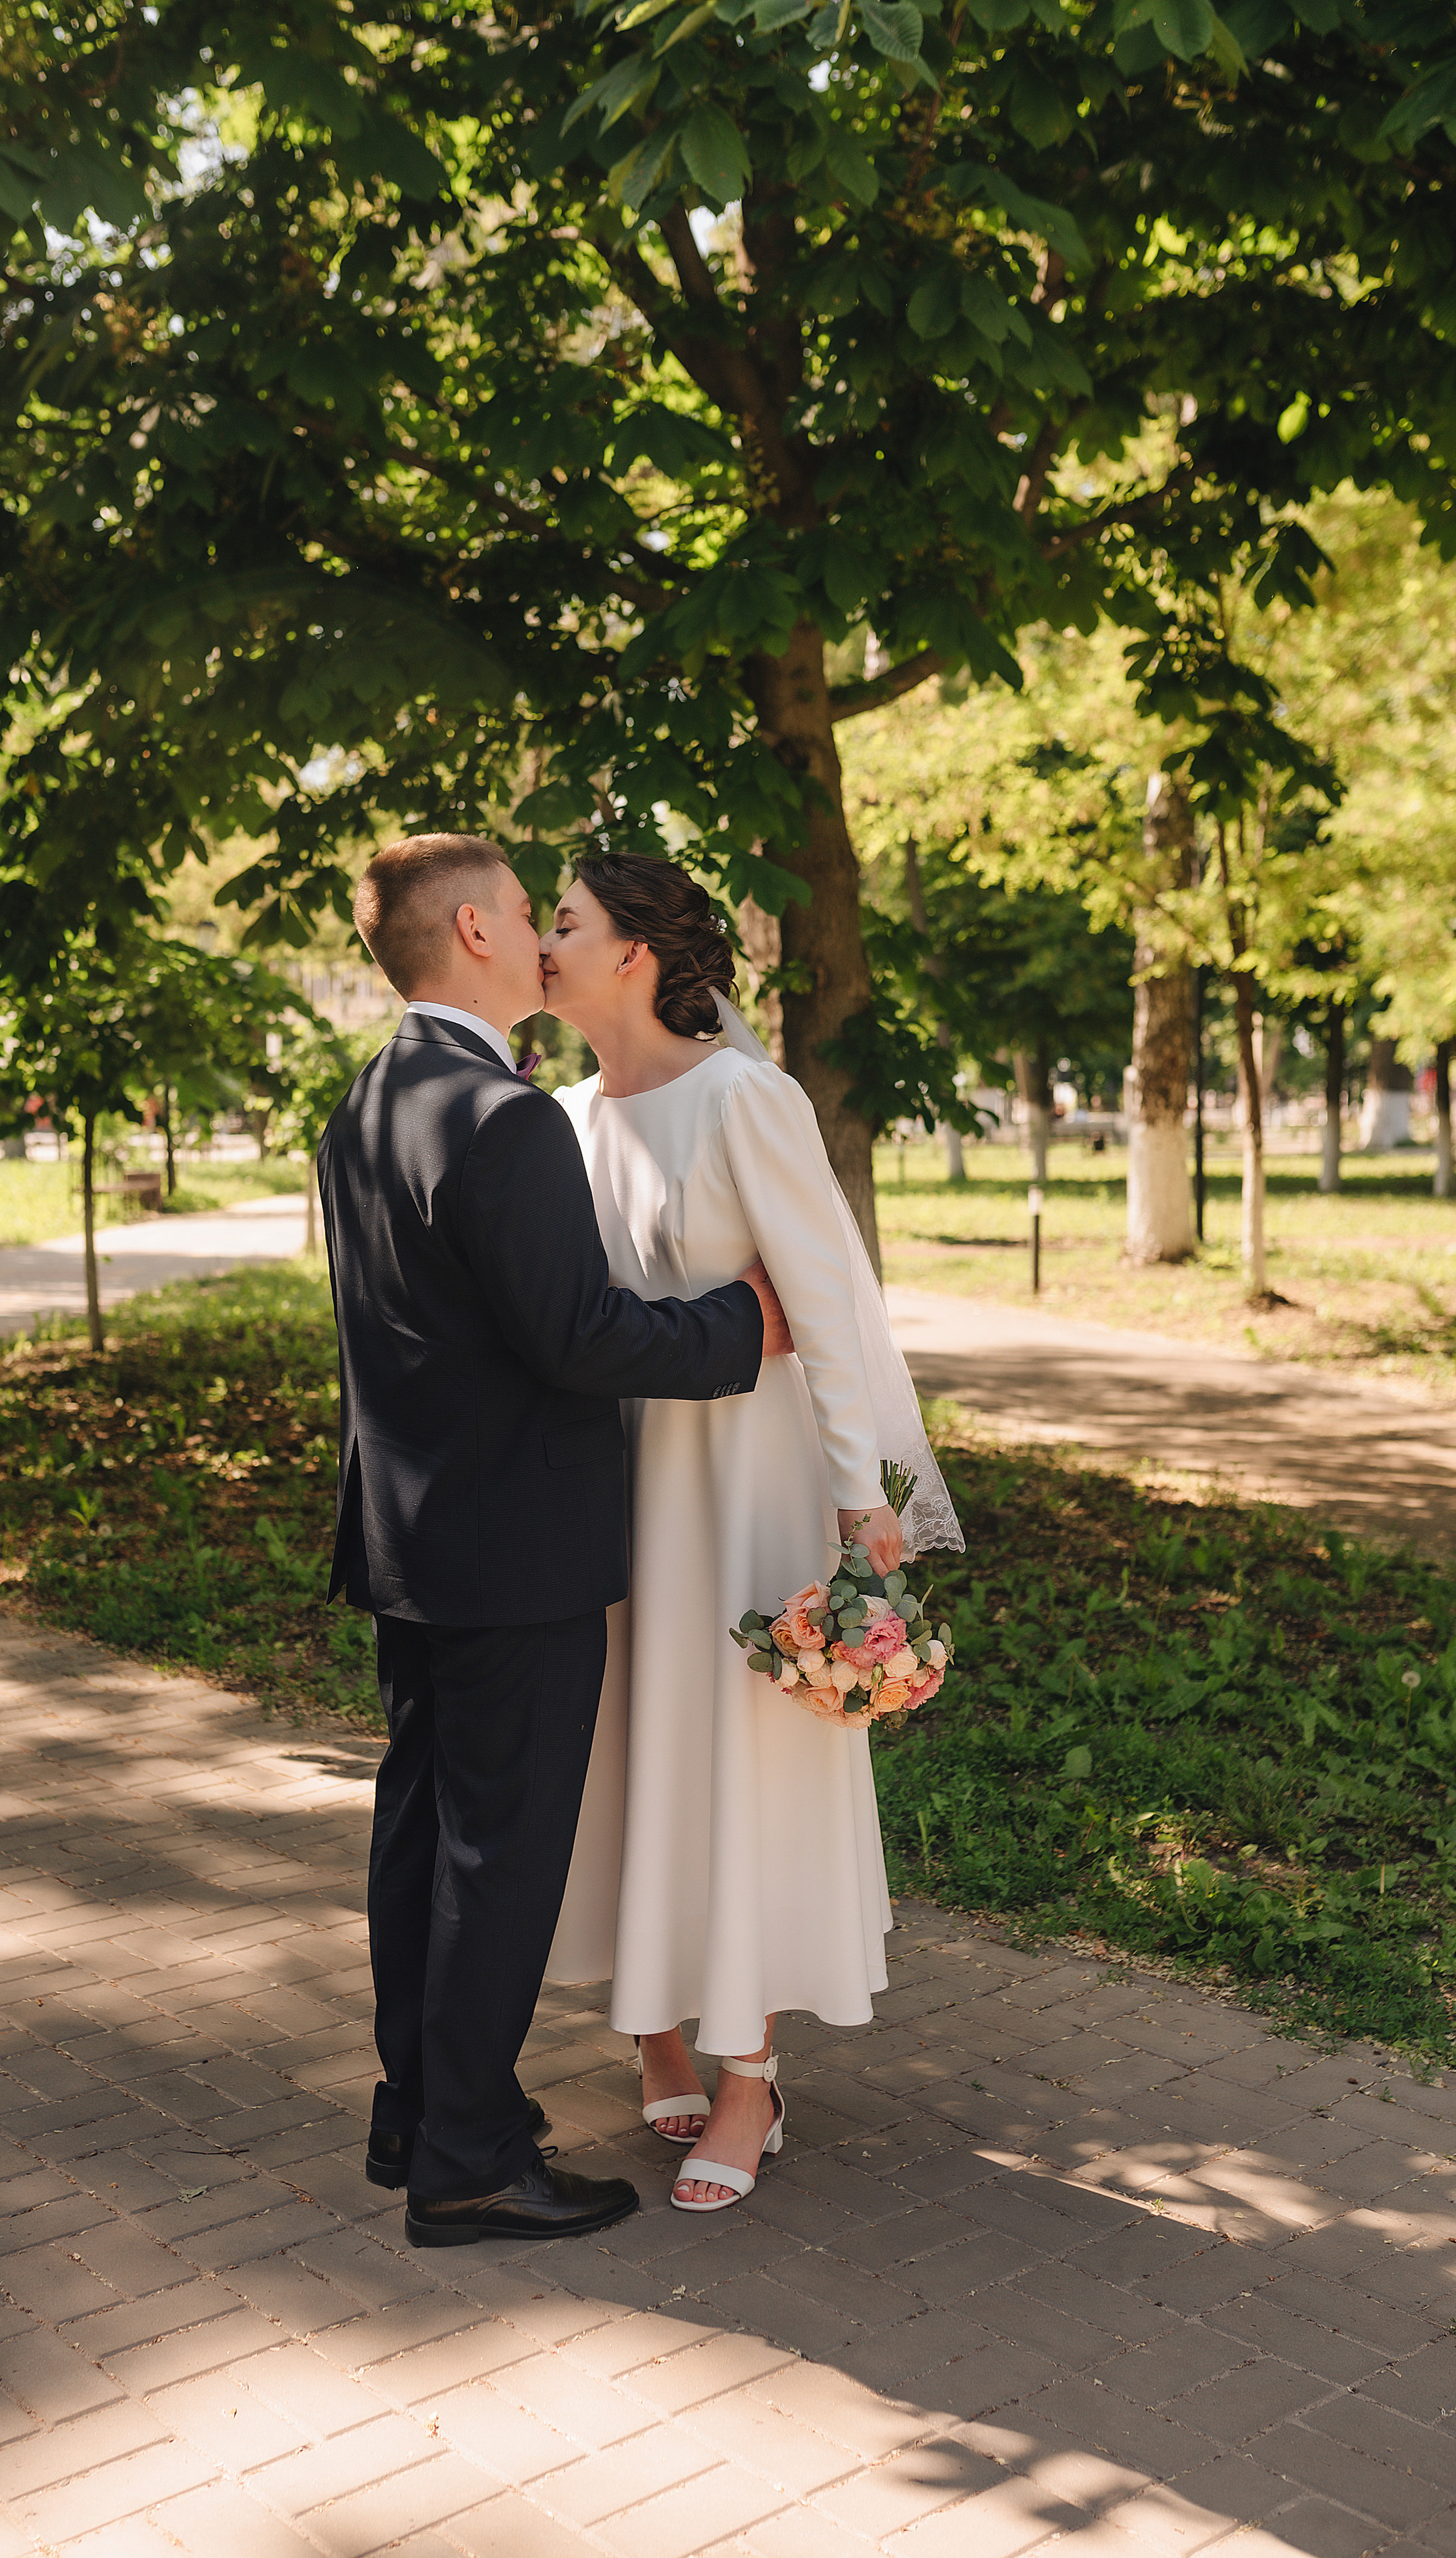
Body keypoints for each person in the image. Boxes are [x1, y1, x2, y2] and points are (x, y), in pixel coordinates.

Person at [316, 833, 794, 2249]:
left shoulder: (370, 1100)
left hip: (409, 1538)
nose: (540, 935)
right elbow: (579, 1336)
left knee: (418, 1835)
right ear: (471, 930)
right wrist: (739, 1328)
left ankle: (418, 2102)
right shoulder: (500, 1113)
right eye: (526, 913)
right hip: (514, 1549)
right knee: (495, 1854)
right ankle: (465, 2158)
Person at [541, 853, 963, 2213]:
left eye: (564, 920)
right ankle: (652, 2022)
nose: (542, 942)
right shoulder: (554, 1119)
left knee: (738, 1756)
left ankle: (746, 2073)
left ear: (635, 953)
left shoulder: (745, 1098)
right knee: (623, 1743)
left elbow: (825, 1310)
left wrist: (860, 1501)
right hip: (610, 1489)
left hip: (741, 1488)